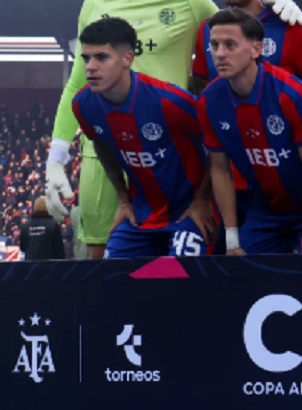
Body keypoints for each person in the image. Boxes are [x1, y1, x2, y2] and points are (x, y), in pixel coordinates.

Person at [46, 0, 218, 258]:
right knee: (102, 254)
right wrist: (56, 155)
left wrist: (270, 6)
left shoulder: (190, 1)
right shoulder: (95, 5)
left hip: (167, 149)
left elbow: (237, 35)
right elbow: (77, 82)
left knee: (177, 262)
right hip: (107, 146)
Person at [71, 17, 216, 258]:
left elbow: (218, 145)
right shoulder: (84, 105)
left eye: (102, 57)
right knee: (113, 278)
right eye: (86, 58)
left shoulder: (171, 101)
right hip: (141, 215)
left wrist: (202, 200)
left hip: (189, 212)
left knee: (177, 278)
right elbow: (103, 147)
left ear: (127, 59)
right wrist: (123, 200)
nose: (90, 66)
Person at [197, 8, 302, 255]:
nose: (220, 54)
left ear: (257, 49)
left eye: (230, 45)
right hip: (267, 210)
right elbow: (220, 169)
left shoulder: (290, 92)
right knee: (245, 273)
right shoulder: (209, 101)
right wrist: (232, 240)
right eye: (214, 45)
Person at [19, 197, 66, 261]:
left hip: (30, 266)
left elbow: (23, 248)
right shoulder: (53, 225)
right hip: (49, 266)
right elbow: (59, 250)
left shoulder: (25, 226)